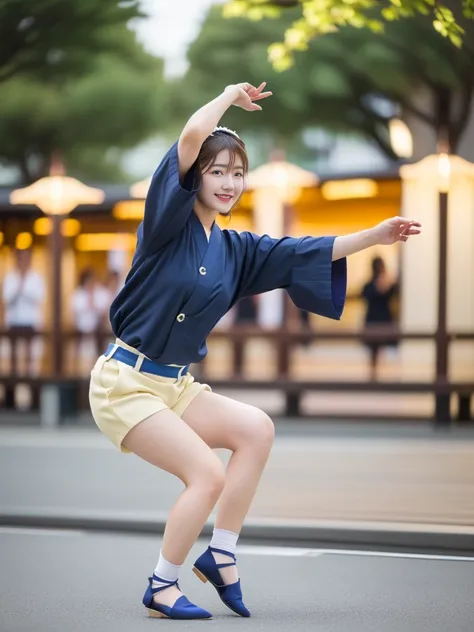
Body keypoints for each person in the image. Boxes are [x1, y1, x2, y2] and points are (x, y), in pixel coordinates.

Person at [89, 81, 422, 620]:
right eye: (217, 171)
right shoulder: (164, 226)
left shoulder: (234, 248)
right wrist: (225, 96)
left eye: (238, 172)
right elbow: (194, 133)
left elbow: (301, 252)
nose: (229, 182)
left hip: (171, 385)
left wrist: (374, 236)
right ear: (194, 175)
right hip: (124, 384)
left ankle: (221, 555)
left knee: (256, 429)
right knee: (207, 475)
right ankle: (161, 585)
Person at [2, 247, 45, 377]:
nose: (23, 262)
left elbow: (39, 298)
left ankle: (32, 382)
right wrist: (19, 287)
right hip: (14, 322)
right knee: (14, 357)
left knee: (31, 358)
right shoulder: (10, 277)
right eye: (21, 259)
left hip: (31, 322)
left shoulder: (36, 278)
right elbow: (6, 298)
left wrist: (23, 290)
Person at [361, 255, 399, 379]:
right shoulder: (371, 286)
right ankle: (375, 373)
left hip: (377, 318)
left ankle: (376, 373)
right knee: (375, 348)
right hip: (378, 318)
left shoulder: (372, 285)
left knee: (376, 349)